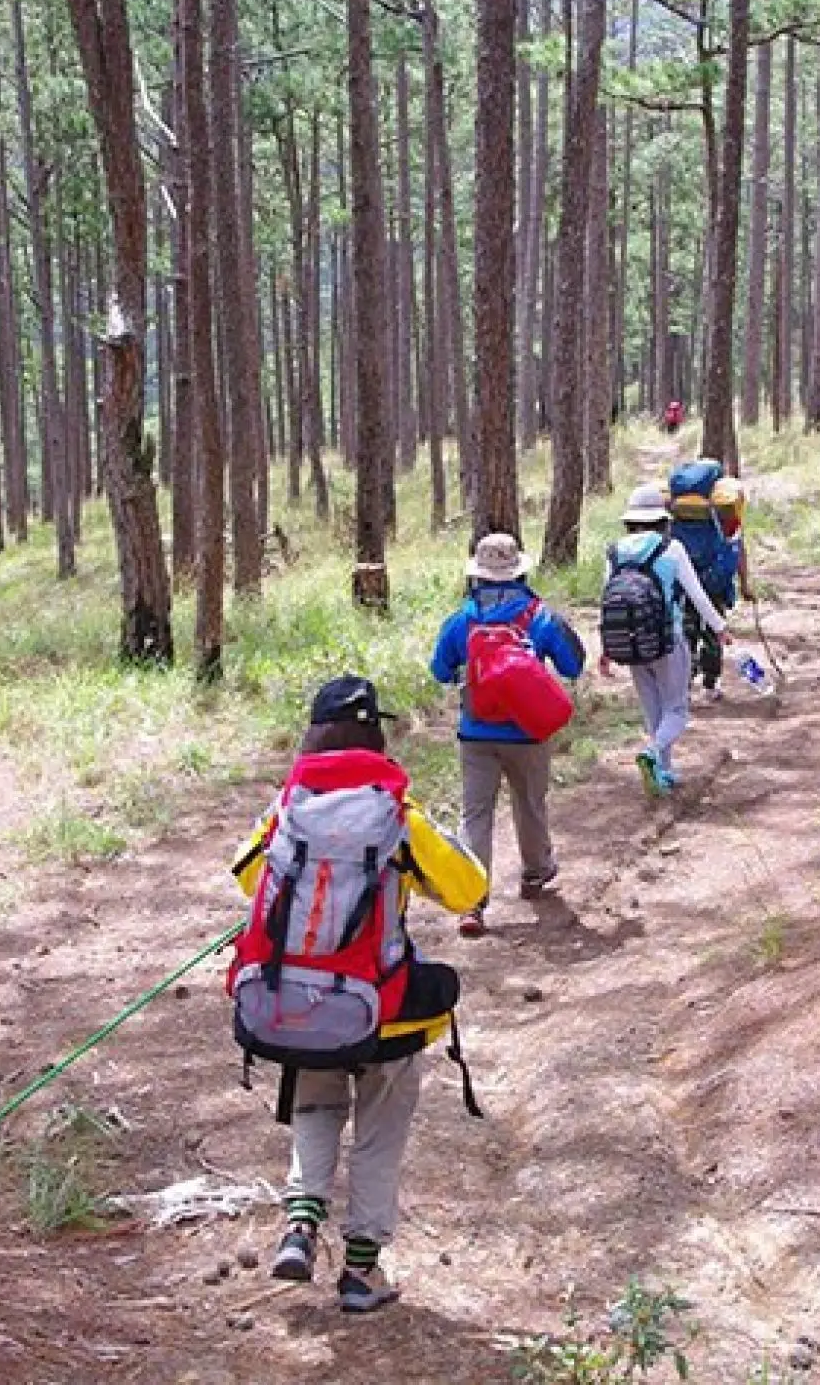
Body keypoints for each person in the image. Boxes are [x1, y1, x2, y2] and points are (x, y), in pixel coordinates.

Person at [228, 676, 488, 1314]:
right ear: (376, 736)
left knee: (316, 1110)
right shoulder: (399, 814)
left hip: (299, 1006)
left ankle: (299, 1226)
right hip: (385, 1013)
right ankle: (362, 1272)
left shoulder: (288, 809)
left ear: (314, 734)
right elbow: (467, 890)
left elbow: (246, 878)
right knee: (378, 1133)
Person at [428, 534, 585, 937]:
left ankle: (473, 901)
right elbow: (571, 667)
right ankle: (535, 874)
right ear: (519, 570)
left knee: (475, 814)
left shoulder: (463, 619)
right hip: (528, 733)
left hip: (475, 732)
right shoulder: (540, 616)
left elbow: (440, 671)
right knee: (530, 803)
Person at [599, 485, 729, 796]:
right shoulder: (671, 548)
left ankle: (664, 772)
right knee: (677, 711)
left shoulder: (614, 551)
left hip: (629, 642)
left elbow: (606, 599)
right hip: (668, 639)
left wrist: (605, 647)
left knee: (653, 712)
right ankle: (654, 754)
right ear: (661, 518)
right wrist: (719, 627)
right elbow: (696, 594)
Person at [666, 460, 752, 704]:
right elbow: (737, 548)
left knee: (687, 631)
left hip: (685, 581)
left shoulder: (677, 516)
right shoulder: (724, 512)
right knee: (715, 633)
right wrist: (745, 585)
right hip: (715, 581)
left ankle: (686, 683)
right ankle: (711, 684)